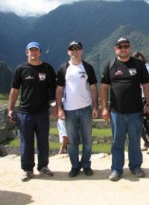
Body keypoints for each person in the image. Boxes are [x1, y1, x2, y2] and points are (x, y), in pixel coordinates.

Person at [100, 37, 149, 181]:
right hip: (116, 111)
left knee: (135, 141)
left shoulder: (138, 64)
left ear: (130, 47)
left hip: (135, 111)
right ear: (115, 49)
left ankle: (135, 166)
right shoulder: (110, 65)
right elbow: (104, 87)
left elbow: (146, 85)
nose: (123, 49)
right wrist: (104, 108)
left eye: (126, 46)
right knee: (117, 141)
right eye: (120, 46)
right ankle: (116, 169)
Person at [7, 42, 56, 182]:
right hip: (25, 112)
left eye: (36, 50)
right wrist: (10, 109)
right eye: (31, 51)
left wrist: (54, 106)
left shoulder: (47, 68)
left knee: (43, 141)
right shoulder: (21, 69)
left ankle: (43, 166)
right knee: (26, 142)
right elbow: (15, 90)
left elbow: (53, 89)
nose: (33, 53)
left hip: (42, 112)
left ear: (40, 52)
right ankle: (27, 169)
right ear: (26, 52)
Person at [56, 41, 98, 178]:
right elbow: (59, 89)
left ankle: (86, 165)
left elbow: (93, 87)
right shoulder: (63, 68)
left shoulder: (87, 67)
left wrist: (95, 106)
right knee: (72, 141)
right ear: (68, 52)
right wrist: (59, 108)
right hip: (69, 110)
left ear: (82, 51)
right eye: (72, 49)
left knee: (87, 140)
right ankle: (74, 166)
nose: (75, 51)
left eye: (77, 49)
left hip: (86, 108)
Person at [132, 51, 149, 154]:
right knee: (146, 122)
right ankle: (148, 142)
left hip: (145, 97)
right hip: (145, 97)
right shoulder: (146, 67)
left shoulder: (144, 68)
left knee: (140, 122)